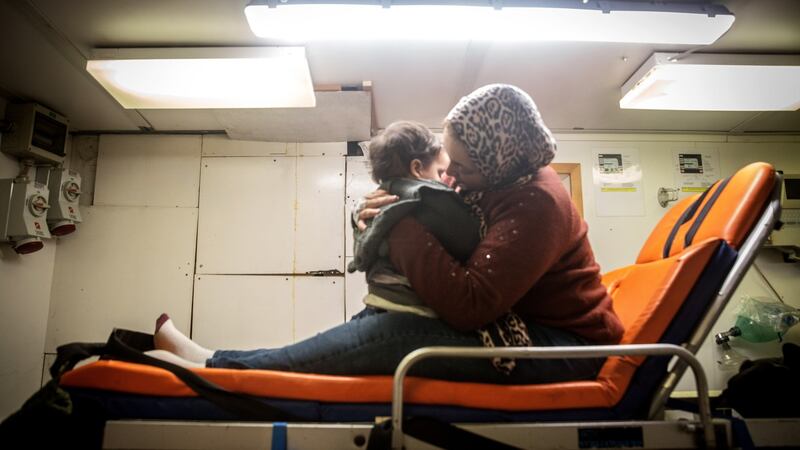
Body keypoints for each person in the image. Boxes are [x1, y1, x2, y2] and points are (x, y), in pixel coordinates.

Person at [150, 84, 624, 385]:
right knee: (371, 323)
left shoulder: (537, 202)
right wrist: (376, 214)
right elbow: (442, 235)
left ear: (499, 160)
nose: (451, 176)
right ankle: (219, 362)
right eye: (448, 162)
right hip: (520, 322)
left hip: (566, 349)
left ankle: (219, 371)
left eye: (461, 166)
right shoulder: (499, 180)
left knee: (394, 334)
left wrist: (399, 222)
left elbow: (469, 304)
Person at [348, 120, 480, 318]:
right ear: (417, 168)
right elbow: (465, 237)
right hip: (411, 306)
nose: (449, 181)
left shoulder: (378, 199)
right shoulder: (429, 196)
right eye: (441, 173)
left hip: (379, 296)